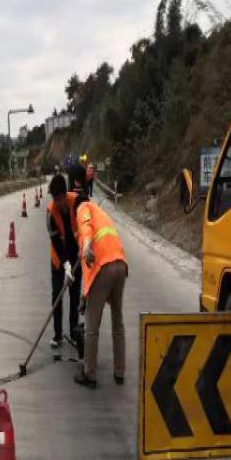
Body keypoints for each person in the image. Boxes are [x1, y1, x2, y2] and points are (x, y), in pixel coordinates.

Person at [70, 165, 128, 389]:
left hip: (103, 265)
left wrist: (85, 245)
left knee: (92, 326)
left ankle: (89, 373)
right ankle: (119, 372)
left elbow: (85, 229)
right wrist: (85, 297)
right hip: (120, 263)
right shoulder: (100, 212)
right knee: (117, 321)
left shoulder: (82, 208)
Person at [47, 174, 84, 355]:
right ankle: (58, 334)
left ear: (65, 194)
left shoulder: (77, 202)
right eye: (54, 199)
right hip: (59, 256)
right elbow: (56, 242)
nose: (57, 203)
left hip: (77, 255)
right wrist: (65, 265)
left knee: (74, 294)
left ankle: (74, 333)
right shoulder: (50, 213)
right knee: (57, 294)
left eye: (60, 199)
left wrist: (78, 256)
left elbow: (87, 222)